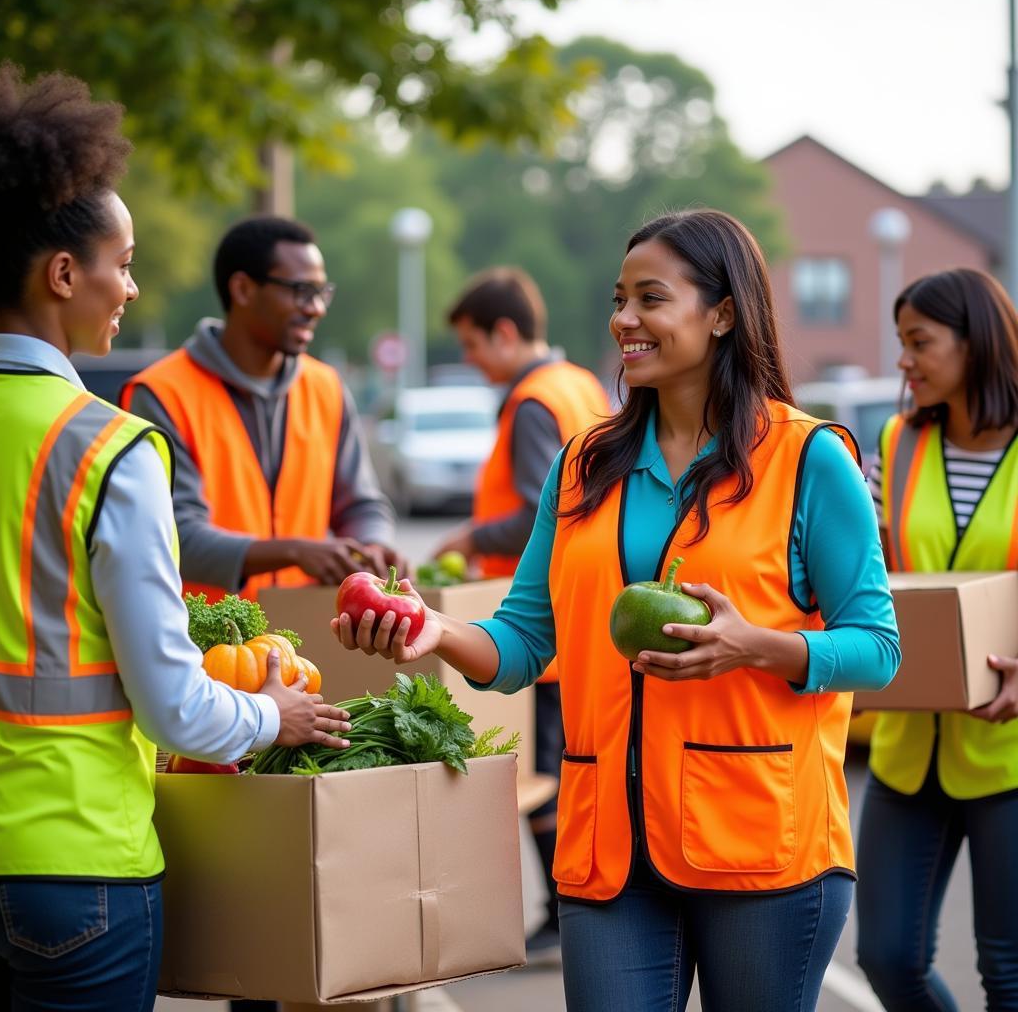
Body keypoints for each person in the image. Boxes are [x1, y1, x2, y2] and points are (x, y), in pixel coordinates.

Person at [335, 209, 901, 1011]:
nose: (623, 320)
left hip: (763, 846)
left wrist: (757, 646)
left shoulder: (808, 459)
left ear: (724, 313)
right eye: (619, 298)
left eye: (651, 298)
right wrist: (436, 631)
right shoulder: (583, 464)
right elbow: (526, 641)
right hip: (608, 849)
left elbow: (878, 647)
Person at [0, 62, 351, 1012]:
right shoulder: (105, 444)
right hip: (73, 869)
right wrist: (274, 716)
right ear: (64, 273)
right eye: (124, 260)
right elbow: (177, 711)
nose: (130, 285)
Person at [434, 267, 610, 958]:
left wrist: (470, 537)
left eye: (473, 345)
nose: (471, 360)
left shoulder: (534, 401)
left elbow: (549, 507)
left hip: (541, 628)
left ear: (505, 334)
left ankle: (565, 912)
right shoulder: (581, 386)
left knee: (539, 775)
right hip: (581, 617)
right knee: (568, 768)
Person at [855, 268, 1018, 1011]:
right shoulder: (897, 441)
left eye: (919, 342)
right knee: (888, 957)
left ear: (975, 343)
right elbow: (882, 571)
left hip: (1008, 753)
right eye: (901, 343)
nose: (904, 361)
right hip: (907, 743)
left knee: (1008, 973)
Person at [121, 215, 403, 602]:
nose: (317, 308)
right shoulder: (161, 393)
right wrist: (293, 552)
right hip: (200, 645)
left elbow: (361, 503)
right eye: (302, 290)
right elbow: (174, 533)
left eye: (323, 292)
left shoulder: (326, 387)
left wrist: (375, 544)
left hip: (302, 640)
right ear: (242, 289)